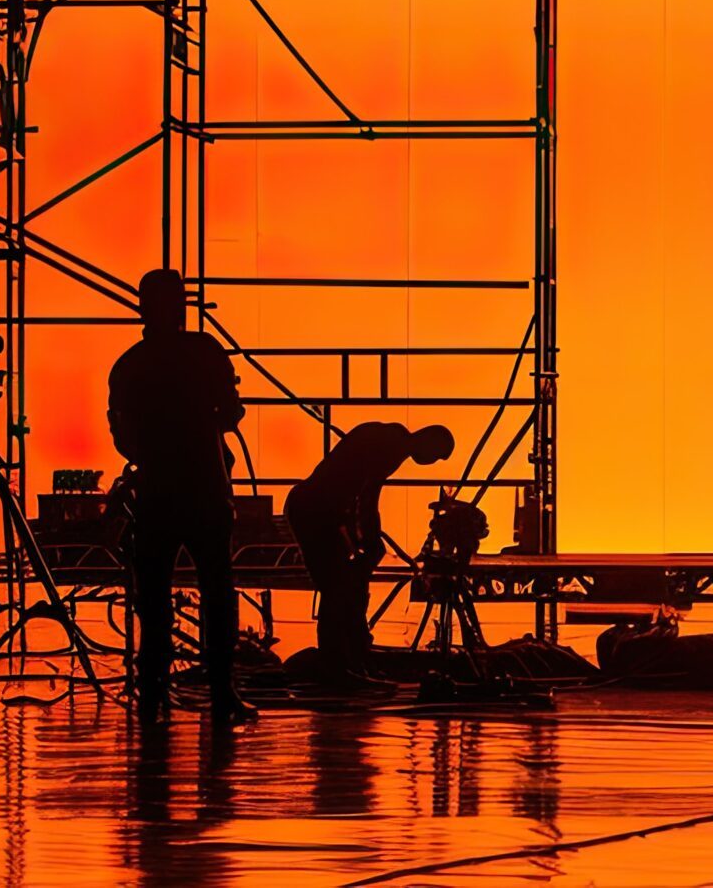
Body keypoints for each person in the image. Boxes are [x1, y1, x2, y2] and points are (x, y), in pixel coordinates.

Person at [108, 268, 256, 725]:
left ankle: (152, 690)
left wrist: (153, 453)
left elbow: (122, 435)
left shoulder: (130, 364)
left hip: (157, 490)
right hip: (205, 486)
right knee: (216, 590)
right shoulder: (204, 352)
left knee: (153, 598)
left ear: (141, 306)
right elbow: (231, 412)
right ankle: (221, 693)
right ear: (181, 305)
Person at [285, 421, 456, 686]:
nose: (432, 461)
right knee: (337, 586)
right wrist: (367, 539)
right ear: (427, 440)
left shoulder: (390, 441)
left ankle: (347, 658)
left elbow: (364, 496)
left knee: (345, 584)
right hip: (316, 512)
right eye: (436, 455)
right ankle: (337, 664)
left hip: (317, 510)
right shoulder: (389, 445)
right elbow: (363, 496)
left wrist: (367, 539)